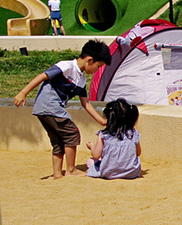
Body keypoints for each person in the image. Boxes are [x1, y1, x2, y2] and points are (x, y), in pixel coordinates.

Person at [13, 39, 111, 178]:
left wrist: (101, 121)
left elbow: (86, 103)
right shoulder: (66, 66)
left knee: (58, 141)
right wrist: (23, 93)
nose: (97, 70)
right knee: (72, 133)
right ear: (89, 60)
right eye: (98, 66)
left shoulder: (81, 79)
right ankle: (70, 170)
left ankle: (57, 174)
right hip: (49, 106)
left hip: (45, 109)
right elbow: (42, 76)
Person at [86, 98, 142, 179]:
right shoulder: (133, 133)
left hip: (108, 173)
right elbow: (138, 153)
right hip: (132, 172)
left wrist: (91, 146)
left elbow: (96, 155)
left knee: (91, 161)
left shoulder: (103, 134)